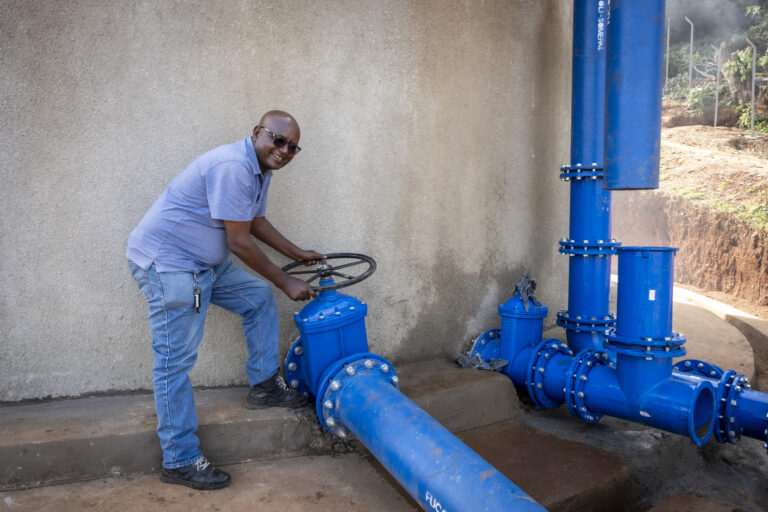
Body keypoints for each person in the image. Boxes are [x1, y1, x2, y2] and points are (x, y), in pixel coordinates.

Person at [126, 110, 322, 490]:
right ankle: (179, 458)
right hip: (171, 267)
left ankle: (265, 386)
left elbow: (254, 222)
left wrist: (296, 254)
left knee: (257, 297)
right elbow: (238, 241)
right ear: (258, 132)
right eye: (278, 140)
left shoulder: (260, 169)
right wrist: (285, 280)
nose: (284, 150)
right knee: (175, 361)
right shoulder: (233, 167)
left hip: (205, 266)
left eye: (292, 147)